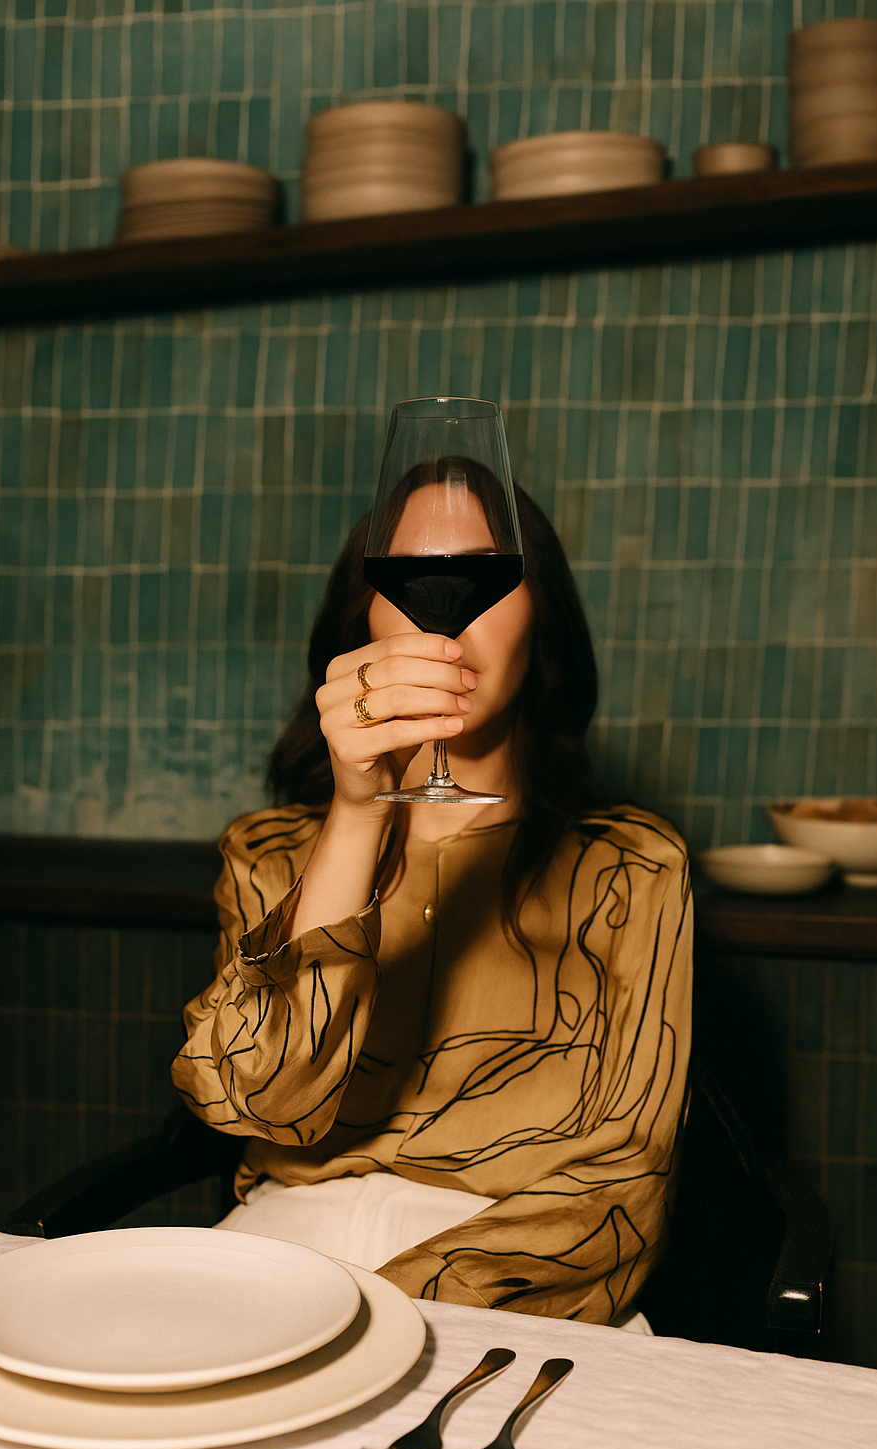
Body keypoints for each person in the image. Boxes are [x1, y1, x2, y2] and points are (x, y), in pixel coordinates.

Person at [172, 471, 692, 1326]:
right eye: (408, 580)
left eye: (487, 577)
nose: (442, 617)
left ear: (542, 620)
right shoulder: (268, 856)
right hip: (275, 1267)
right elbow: (258, 1100)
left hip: (516, 1292)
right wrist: (354, 812)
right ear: (361, 625)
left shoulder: (630, 871)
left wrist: (397, 1310)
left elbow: (625, 1178)